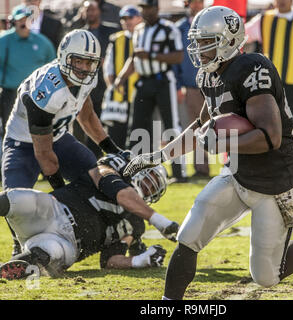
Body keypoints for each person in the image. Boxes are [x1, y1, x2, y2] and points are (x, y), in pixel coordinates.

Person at [122, 6, 293, 300]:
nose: (199, 49)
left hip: (277, 183)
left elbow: (270, 137)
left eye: (206, 41)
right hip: (239, 176)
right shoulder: (208, 77)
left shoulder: (252, 69)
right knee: (189, 236)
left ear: (228, 40)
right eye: (197, 41)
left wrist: (221, 145)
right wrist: (157, 156)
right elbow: (201, 127)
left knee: (267, 276)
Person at [2, 29, 123, 256]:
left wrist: (111, 148)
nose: (84, 69)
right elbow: (44, 155)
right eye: (78, 61)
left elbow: (86, 116)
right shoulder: (47, 90)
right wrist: (63, 194)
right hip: (22, 144)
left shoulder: (87, 78)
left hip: (58, 136)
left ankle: (110, 225)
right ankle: (21, 246)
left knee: (94, 172)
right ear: (65, 57)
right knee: (14, 199)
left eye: (89, 63)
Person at [0, 152, 179, 279]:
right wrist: (159, 221)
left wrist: (141, 259)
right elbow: (122, 194)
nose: (147, 189)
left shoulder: (136, 224)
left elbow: (110, 261)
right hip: (52, 209)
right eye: (148, 181)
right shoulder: (111, 170)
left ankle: (23, 262)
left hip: (67, 243)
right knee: (15, 199)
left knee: (49, 252)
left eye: (152, 189)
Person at [245, 0, 293, 178]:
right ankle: (271, 164)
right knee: (269, 126)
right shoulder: (264, 19)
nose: (281, 1)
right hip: (270, 88)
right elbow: (242, 35)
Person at [114, 0, 187, 183]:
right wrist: (121, 77)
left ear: (156, 8)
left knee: (171, 126)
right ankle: (135, 169)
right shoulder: (139, 30)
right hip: (143, 82)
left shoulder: (168, 28)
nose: (145, 11)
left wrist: (152, 56)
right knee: (137, 126)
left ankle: (179, 172)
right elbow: (134, 58)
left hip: (163, 81)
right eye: (142, 8)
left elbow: (178, 56)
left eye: (147, 7)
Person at [0, 4, 56, 136]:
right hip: (11, 94)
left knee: (35, 131)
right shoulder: (4, 40)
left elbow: (52, 65)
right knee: (10, 130)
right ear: (14, 21)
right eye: (20, 20)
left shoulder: (43, 42)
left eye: (27, 20)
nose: (24, 23)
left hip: (37, 95)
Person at [75, 0, 121, 158]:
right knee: (86, 121)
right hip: (85, 85)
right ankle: (90, 160)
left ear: (99, 11)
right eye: (87, 10)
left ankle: (113, 157)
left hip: (108, 84)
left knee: (109, 122)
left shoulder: (112, 31)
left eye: (93, 9)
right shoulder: (78, 34)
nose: (90, 13)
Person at [173, 0, 209, 178]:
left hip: (210, 84)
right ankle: (198, 169)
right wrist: (179, 86)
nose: (197, 5)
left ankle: (212, 168)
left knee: (215, 127)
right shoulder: (179, 28)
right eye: (194, 1)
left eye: (200, 1)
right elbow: (176, 59)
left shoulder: (210, 22)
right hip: (190, 87)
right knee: (193, 128)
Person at [101, 5, 142, 149]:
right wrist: (113, 87)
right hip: (120, 95)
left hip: (140, 93)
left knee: (139, 134)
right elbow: (108, 67)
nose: (127, 21)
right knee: (116, 133)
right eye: (124, 18)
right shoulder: (116, 39)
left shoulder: (144, 35)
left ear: (139, 18)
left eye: (130, 17)